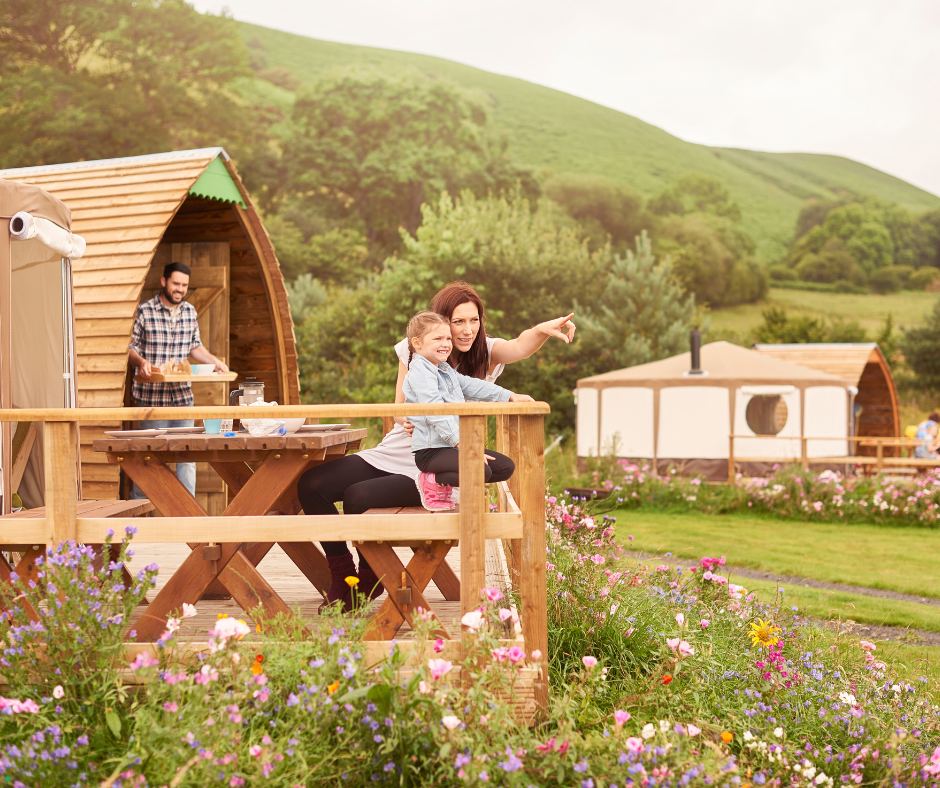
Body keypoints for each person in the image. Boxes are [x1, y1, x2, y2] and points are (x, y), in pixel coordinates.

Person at [297, 280, 576, 611]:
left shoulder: (483, 352)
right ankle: (342, 572)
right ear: (439, 321)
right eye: (458, 321)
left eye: (474, 320)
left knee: (359, 496)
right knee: (312, 484)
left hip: (439, 462)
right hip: (402, 447)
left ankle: (370, 574)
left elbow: (518, 346)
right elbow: (400, 404)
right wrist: (406, 416)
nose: (466, 330)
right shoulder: (416, 351)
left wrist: (542, 330)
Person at [403, 310, 533, 510]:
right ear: (417, 343)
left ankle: (437, 480)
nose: (446, 343)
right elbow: (434, 409)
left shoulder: (444, 369)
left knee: (504, 467)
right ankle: (431, 479)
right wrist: (463, 443)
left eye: (448, 338)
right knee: (480, 470)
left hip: (450, 448)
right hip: (431, 450)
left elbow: (473, 386)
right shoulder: (420, 371)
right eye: (438, 338)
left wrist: (509, 396)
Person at [128, 262, 228, 497]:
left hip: (183, 399)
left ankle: (187, 519)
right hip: (151, 401)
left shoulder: (190, 311)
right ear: (164, 282)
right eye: (176, 284)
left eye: (184, 285)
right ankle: (142, 519)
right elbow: (130, 348)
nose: (180, 289)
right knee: (150, 459)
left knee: (187, 458)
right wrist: (141, 362)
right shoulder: (145, 310)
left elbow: (195, 347)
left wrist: (215, 362)